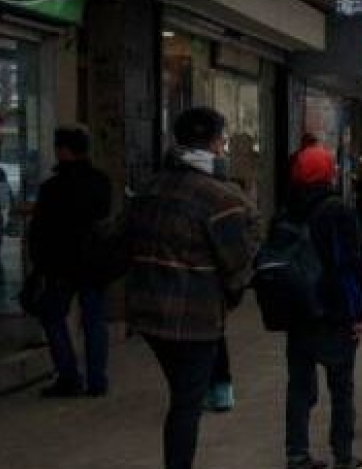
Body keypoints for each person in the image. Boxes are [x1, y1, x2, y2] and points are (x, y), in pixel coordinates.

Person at [124, 107, 260, 469]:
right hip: (194, 317)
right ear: (218, 142)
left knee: (183, 396)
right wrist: (231, 294)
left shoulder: (150, 188)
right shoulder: (221, 198)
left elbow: (121, 240)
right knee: (186, 403)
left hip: (147, 311)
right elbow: (239, 263)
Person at [282, 144, 362, 469]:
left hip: (297, 312)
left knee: (299, 387)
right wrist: (360, 312)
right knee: (341, 388)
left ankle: (297, 453)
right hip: (333, 311)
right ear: (328, 172)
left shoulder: (288, 209)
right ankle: (344, 456)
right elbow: (353, 265)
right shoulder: (338, 210)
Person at [27, 126, 112, 397]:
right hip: (94, 264)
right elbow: (106, 218)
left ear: (63, 150)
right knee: (94, 322)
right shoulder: (100, 181)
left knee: (52, 316)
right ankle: (96, 380)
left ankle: (69, 375)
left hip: (61, 266)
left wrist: (39, 266)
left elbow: (41, 231)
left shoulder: (53, 188)